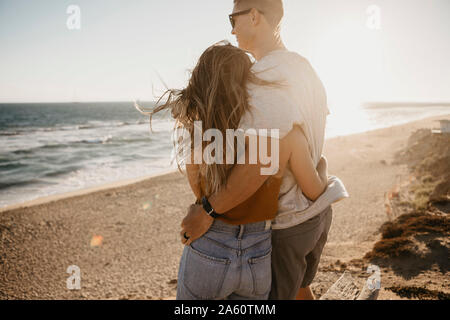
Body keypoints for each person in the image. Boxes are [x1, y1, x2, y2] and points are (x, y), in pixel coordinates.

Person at [180, 0, 348, 300]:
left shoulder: (265, 76)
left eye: (233, 19)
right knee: (301, 290)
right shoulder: (303, 66)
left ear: (254, 16)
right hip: (317, 211)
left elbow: (262, 159)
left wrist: (207, 211)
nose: (231, 29)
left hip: (288, 223)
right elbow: (307, 135)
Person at [137, 41, 330, 299]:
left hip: (211, 243)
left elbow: (198, 189)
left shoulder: (199, 129)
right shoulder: (274, 132)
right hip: (258, 251)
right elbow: (310, 187)